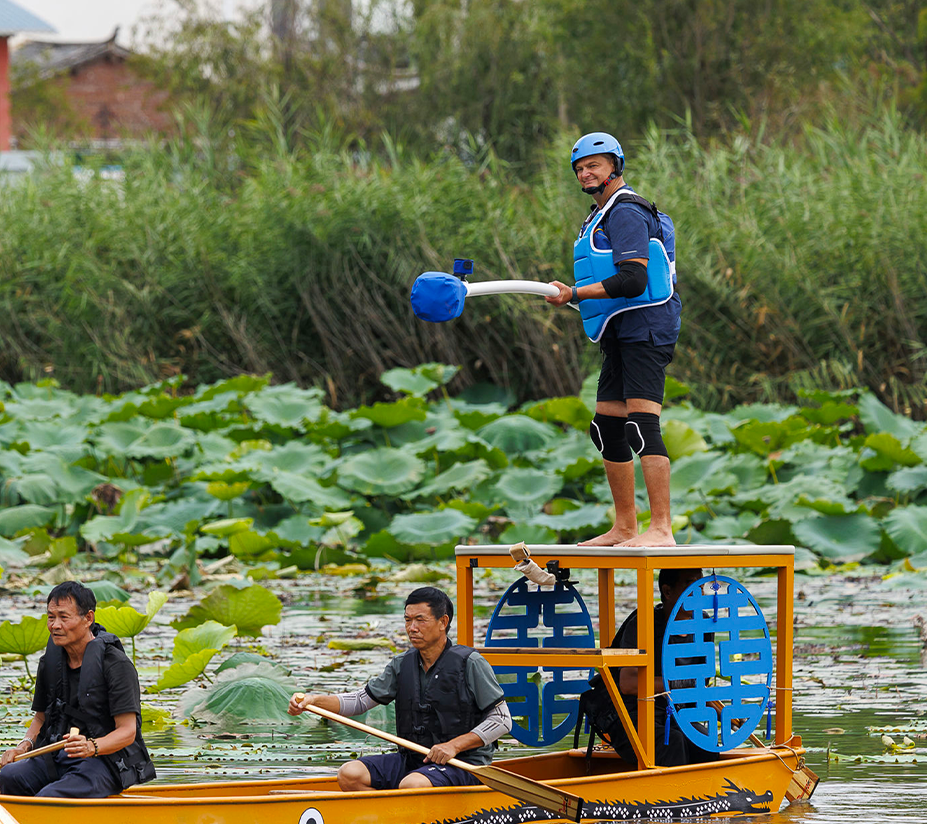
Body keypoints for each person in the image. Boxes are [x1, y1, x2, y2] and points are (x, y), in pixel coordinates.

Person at [546, 132, 681, 550]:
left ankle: (661, 528)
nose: (586, 173)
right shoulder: (599, 214)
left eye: (594, 165)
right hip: (621, 329)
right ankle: (625, 527)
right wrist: (576, 296)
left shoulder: (624, 212)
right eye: (580, 169)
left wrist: (573, 293)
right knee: (606, 428)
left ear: (614, 167)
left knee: (641, 424)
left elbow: (634, 278)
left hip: (647, 327)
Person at [288, 586, 514, 790]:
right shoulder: (401, 664)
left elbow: (502, 720)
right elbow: (360, 701)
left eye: (420, 620)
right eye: (407, 620)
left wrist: (453, 746)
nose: (412, 628)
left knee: (412, 784)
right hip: (414, 761)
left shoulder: (470, 663)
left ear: (443, 622)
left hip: (462, 764)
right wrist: (313, 701)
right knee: (349, 774)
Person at [0, 581, 156, 798]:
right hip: (57, 757)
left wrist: (91, 747)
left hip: (103, 762)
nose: (55, 625)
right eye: (51, 617)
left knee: (51, 796)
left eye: (63, 617)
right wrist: (23, 747)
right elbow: (41, 719)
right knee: (10, 776)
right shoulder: (49, 663)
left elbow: (127, 732)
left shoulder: (116, 665)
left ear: (88, 618)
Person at [580, 566, 727, 766]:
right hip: (630, 712)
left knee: (705, 742)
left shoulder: (704, 624)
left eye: (700, 584)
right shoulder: (643, 623)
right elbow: (628, 684)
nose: (699, 590)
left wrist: (726, 715)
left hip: (674, 711)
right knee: (672, 743)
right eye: (689, 583)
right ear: (667, 592)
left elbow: (698, 684)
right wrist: (678, 684)